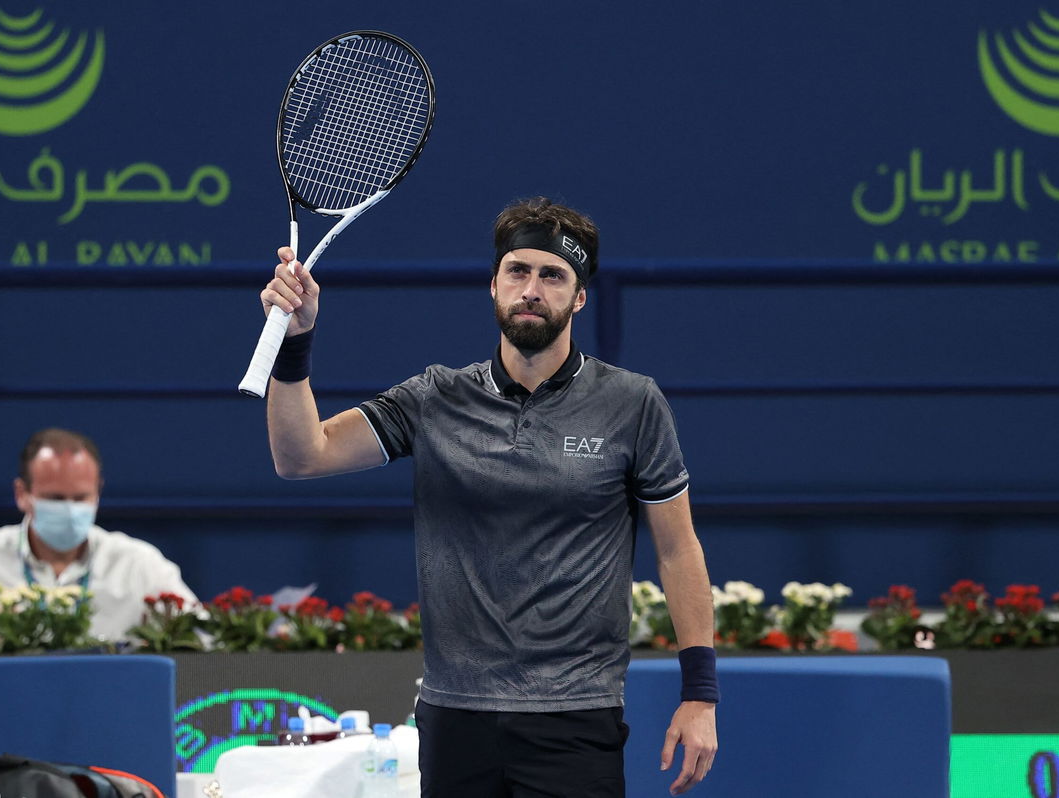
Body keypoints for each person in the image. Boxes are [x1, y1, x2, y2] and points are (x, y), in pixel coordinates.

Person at [260, 197, 718, 797]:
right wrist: (294, 344)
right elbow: (301, 456)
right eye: (518, 271)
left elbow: (678, 550)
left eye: (553, 275)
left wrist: (700, 696)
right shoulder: (434, 398)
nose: (533, 288)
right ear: (494, 286)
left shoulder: (633, 404)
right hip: (455, 718)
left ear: (579, 298)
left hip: (575, 717)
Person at [0, 427, 199, 645]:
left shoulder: (139, 564)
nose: (70, 510)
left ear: (98, 492)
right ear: (22, 494)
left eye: (80, 498)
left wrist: (168, 639)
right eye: (55, 499)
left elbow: (207, 643)